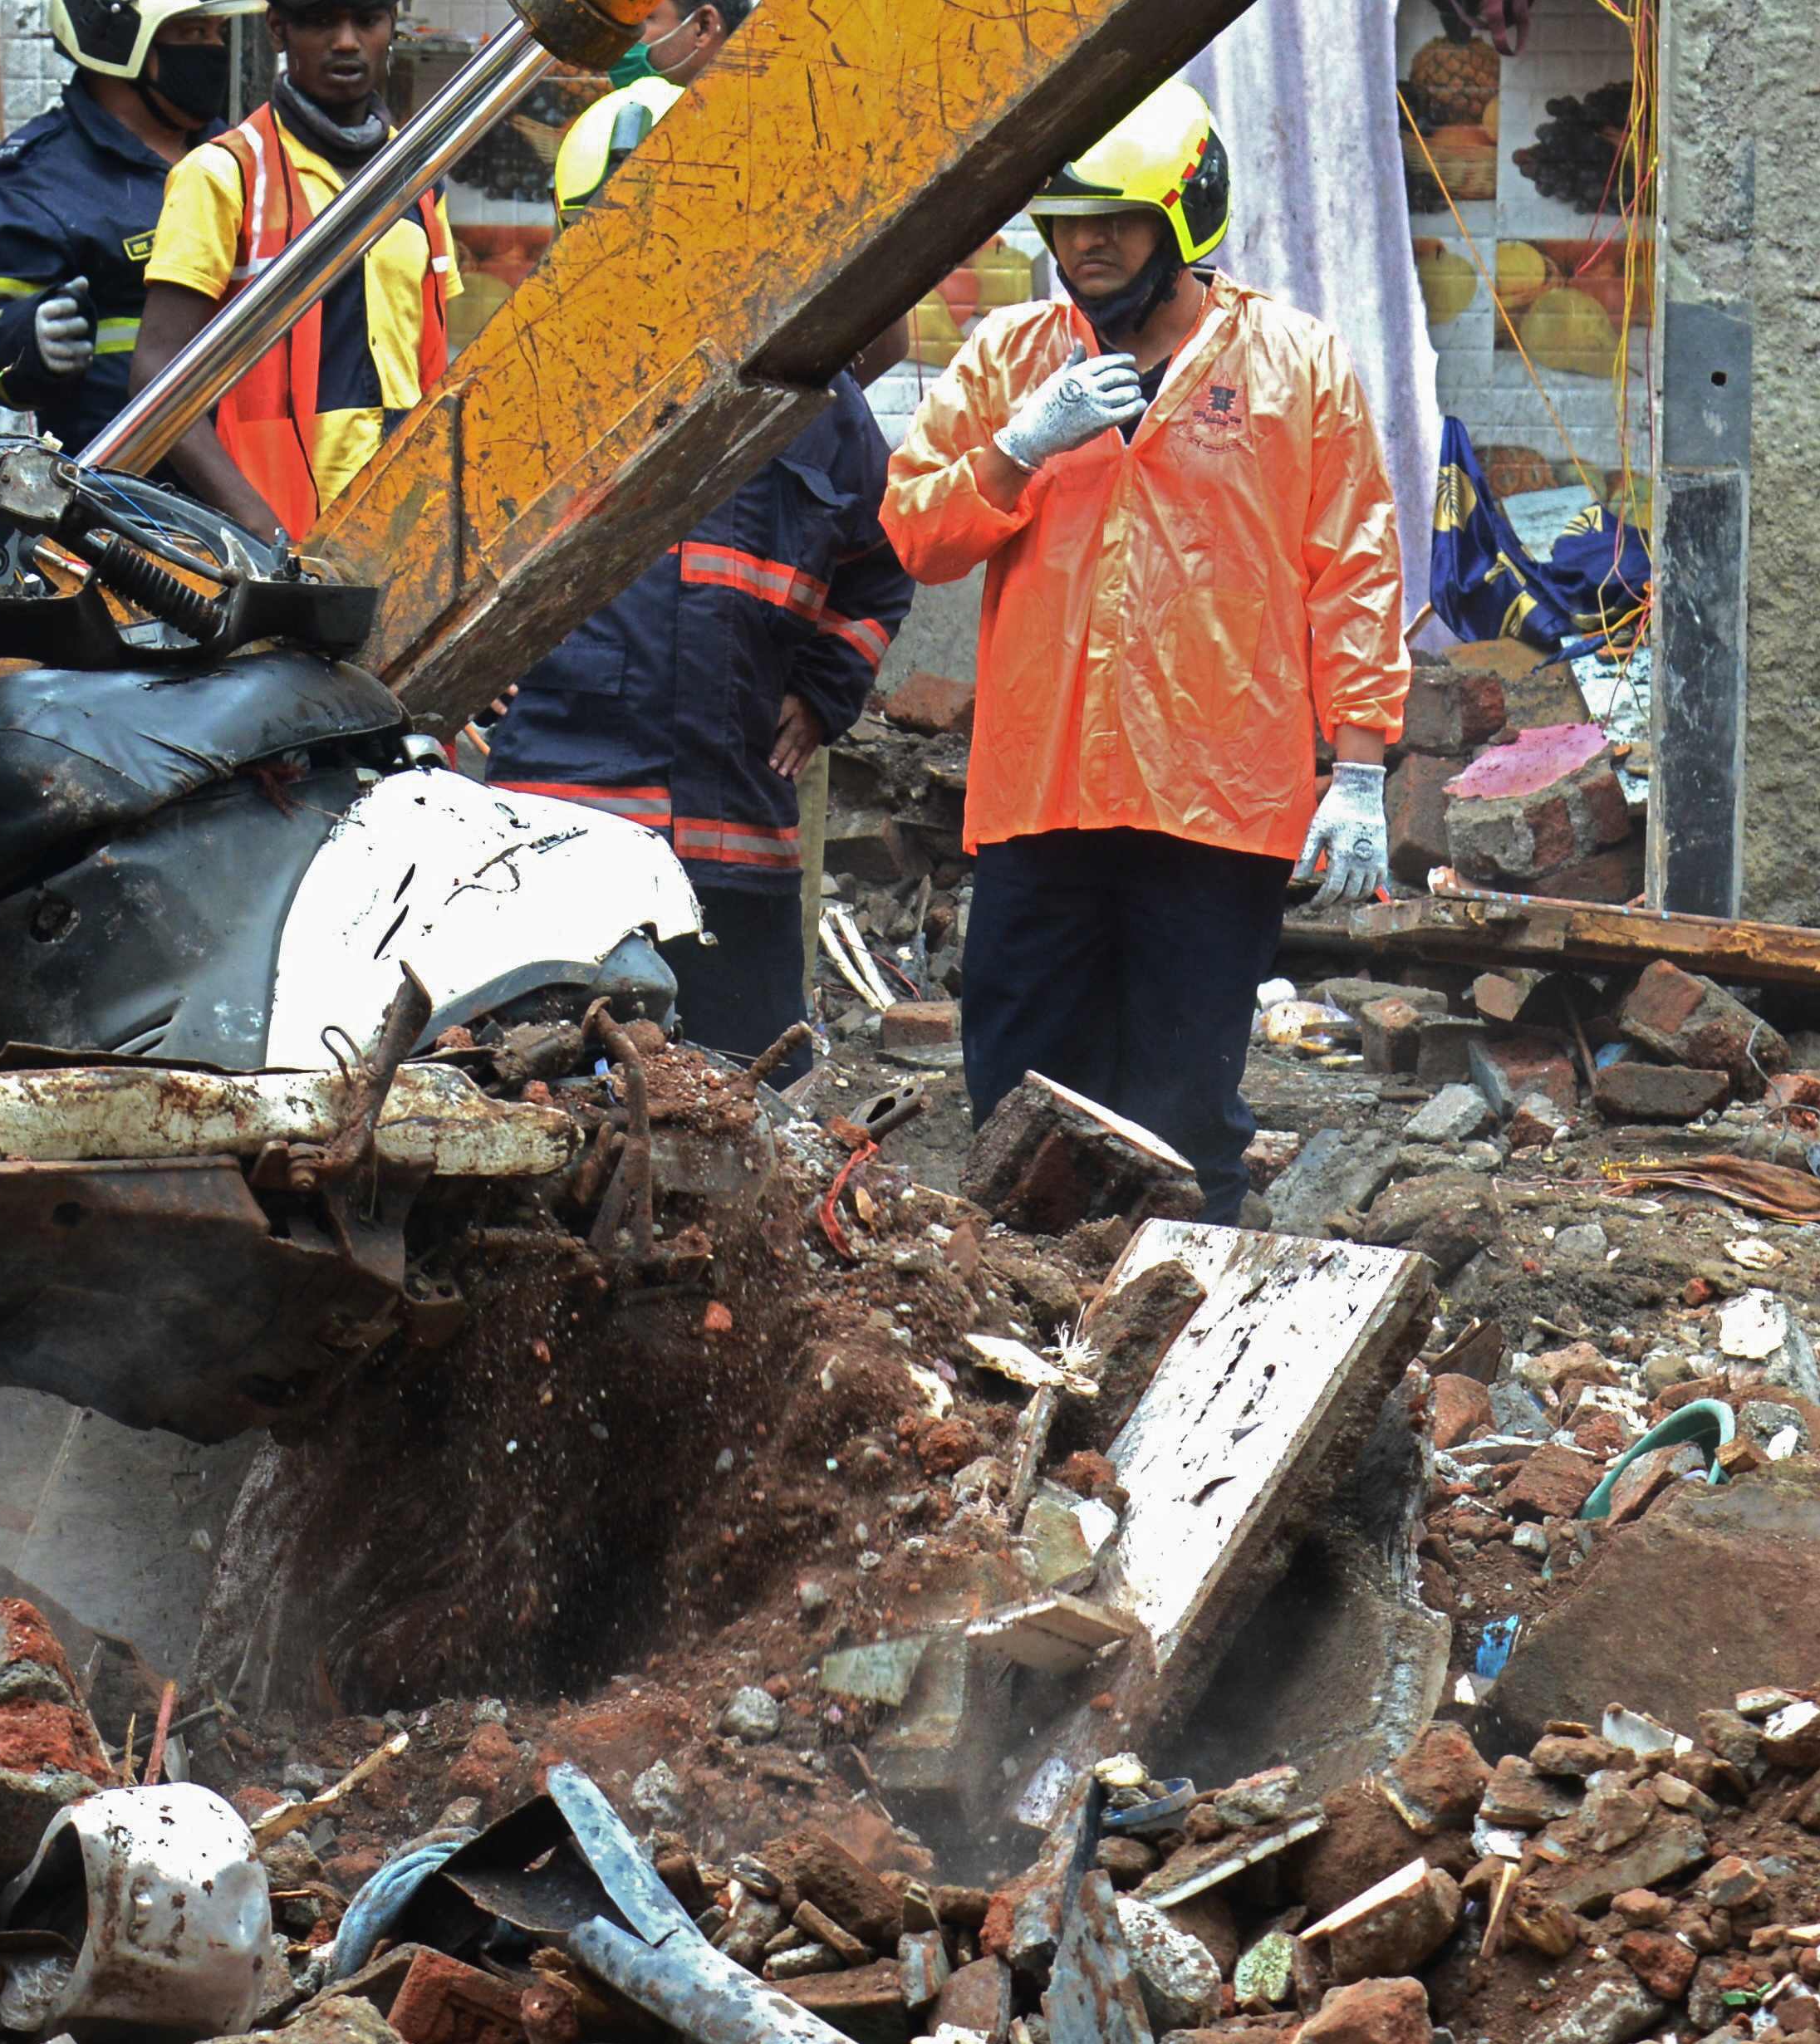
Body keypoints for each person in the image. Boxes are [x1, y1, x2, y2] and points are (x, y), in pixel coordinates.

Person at [880, 79, 1406, 1222]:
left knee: (1183, 1116)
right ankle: (1021, 1340)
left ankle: (1184, 1341)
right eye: (1069, 224)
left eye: (1115, 221)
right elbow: (917, 534)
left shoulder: (1295, 365)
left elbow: (1353, 570)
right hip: (1042, 801)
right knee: (1019, 1110)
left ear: (1184, 216)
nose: (1088, 246)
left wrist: (1358, 769)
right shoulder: (1010, 359)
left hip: (1213, 812)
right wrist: (1018, 449)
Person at [476, 76, 905, 1064]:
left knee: (744, 1103)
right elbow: (449, 556)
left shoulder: (814, 397)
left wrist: (827, 684)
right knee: (546, 1093)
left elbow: (881, 564)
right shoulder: (526, 388)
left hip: (731, 835)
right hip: (557, 825)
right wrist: (462, 669)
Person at [138, 0, 460, 549]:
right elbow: (154, 374)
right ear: (279, 28)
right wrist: (257, 525)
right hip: (276, 544)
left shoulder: (418, 173)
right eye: (321, 22)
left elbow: (432, 366)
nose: (346, 42)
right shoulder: (225, 174)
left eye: (366, 21)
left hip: (402, 530)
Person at [0, 0, 256, 447]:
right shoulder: (40, 181)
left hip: (258, 476)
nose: (212, 52)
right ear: (119, 39)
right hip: (126, 500)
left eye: (216, 33)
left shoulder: (239, 158)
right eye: (191, 33)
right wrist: (25, 338)